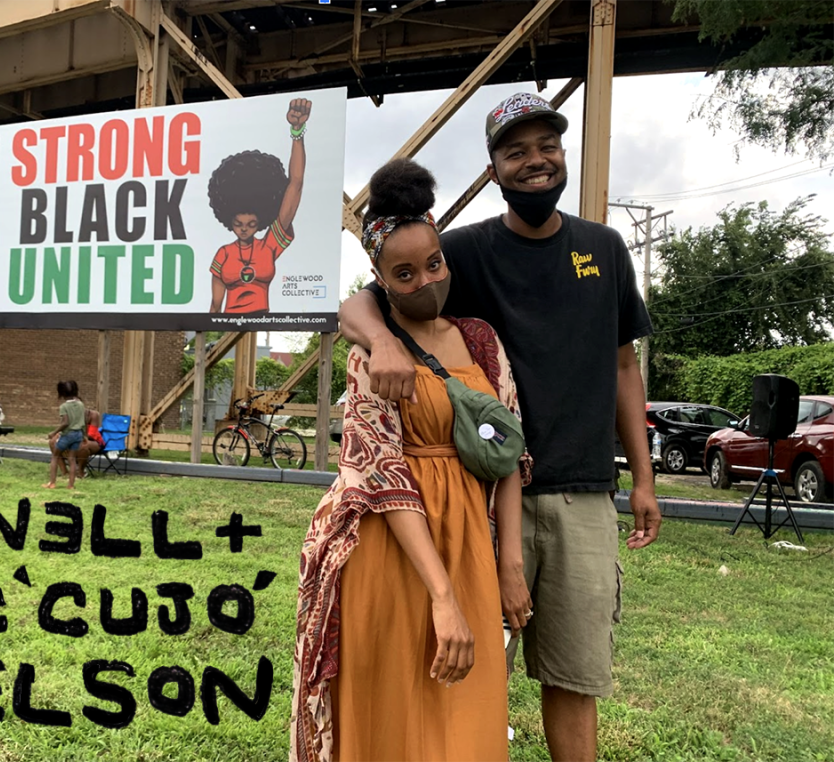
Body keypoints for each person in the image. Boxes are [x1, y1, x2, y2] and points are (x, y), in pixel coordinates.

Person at [338, 93, 662, 762]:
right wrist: (386, 343)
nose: (535, 161)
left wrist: (644, 479)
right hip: (479, 500)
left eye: (547, 146)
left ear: (563, 155)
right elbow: (365, 297)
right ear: (492, 171)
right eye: (516, 152)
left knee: (573, 677)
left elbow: (625, 366)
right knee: (467, 670)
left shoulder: (603, 248)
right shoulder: (463, 251)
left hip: (580, 491)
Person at [292, 159, 532, 762]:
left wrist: (509, 563)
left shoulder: (481, 340)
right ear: (379, 277)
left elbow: (507, 452)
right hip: (393, 550)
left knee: (466, 712)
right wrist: (441, 594)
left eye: (434, 263)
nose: (425, 280)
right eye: (404, 273)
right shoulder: (374, 355)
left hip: (469, 545)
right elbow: (382, 475)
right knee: (392, 709)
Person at [208, 98, 311, 314]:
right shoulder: (223, 254)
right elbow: (215, 306)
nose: (244, 228)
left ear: (260, 223)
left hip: (263, 319)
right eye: (238, 223)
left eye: (251, 223)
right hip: (229, 324)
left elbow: (296, 183)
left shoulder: (269, 246)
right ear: (229, 221)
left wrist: (297, 132)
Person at [45, 380, 85, 489]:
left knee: (55, 456)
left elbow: (65, 423)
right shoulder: (81, 404)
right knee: (72, 459)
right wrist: (84, 436)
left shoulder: (64, 407)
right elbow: (83, 421)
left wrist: (53, 432)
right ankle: (71, 485)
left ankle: (52, 483)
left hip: (68, 434)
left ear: (62, 393)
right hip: (78, 434)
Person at [49, 408, 104, 478]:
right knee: (52, 442)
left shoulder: (93, 415)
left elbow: (91, 434)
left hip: (93, 441)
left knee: (83, 446)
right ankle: (65, 472)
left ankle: (80, 472)